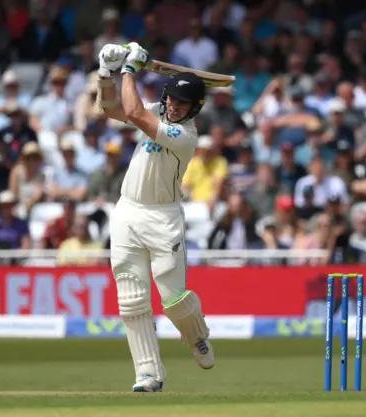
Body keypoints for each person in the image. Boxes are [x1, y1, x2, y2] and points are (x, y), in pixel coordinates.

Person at [96, 42, 214, 393]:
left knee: (174, 300)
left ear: (195, 109)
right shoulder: (157, 110)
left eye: (184, 104)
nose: (175, 108)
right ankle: (148, 374)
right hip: (128, 211)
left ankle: (197, 336)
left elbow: (133, 114)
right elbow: (111, 108)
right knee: (131, 298)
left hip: (163, 219)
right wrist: (106, 73)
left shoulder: (185, 135)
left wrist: (129, 70)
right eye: (173, 100)